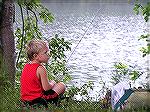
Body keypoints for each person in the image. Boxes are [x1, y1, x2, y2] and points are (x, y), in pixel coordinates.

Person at [20, 39, 66, 107]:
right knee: (61, 85)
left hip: (25, 100)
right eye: (45, 53)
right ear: (35, 56)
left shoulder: (26, 66)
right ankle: (55, 103)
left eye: (48, 52)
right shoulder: (41, 68)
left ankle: (55, 101)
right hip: (38, 101)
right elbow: (46, 88)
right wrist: (53, 83)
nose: (48, 55)